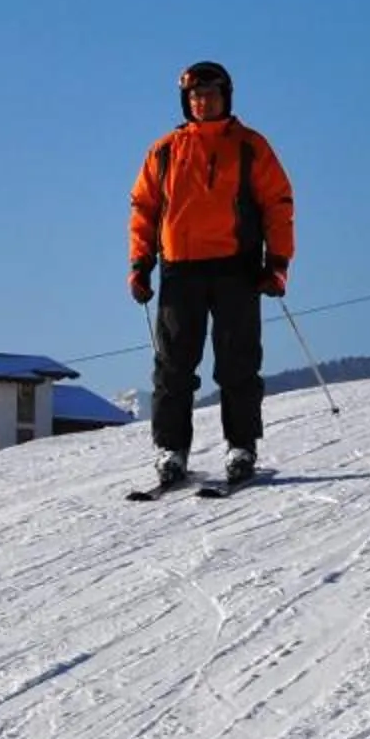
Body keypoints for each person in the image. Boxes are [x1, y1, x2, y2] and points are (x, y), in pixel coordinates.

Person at [129, 61, 297, 488]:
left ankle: (241, 447)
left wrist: (277, 264)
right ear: (186, 102)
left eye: (211, 95)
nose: (203, 102)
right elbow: (144, 209)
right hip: (179, 270)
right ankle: (171, 451)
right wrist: (140, 263)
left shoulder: (249, 146)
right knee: (173, 367)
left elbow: (277, 203)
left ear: (226, 97)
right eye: (195, 96)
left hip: (236, 269)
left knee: (237, 362)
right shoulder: (165, 150)